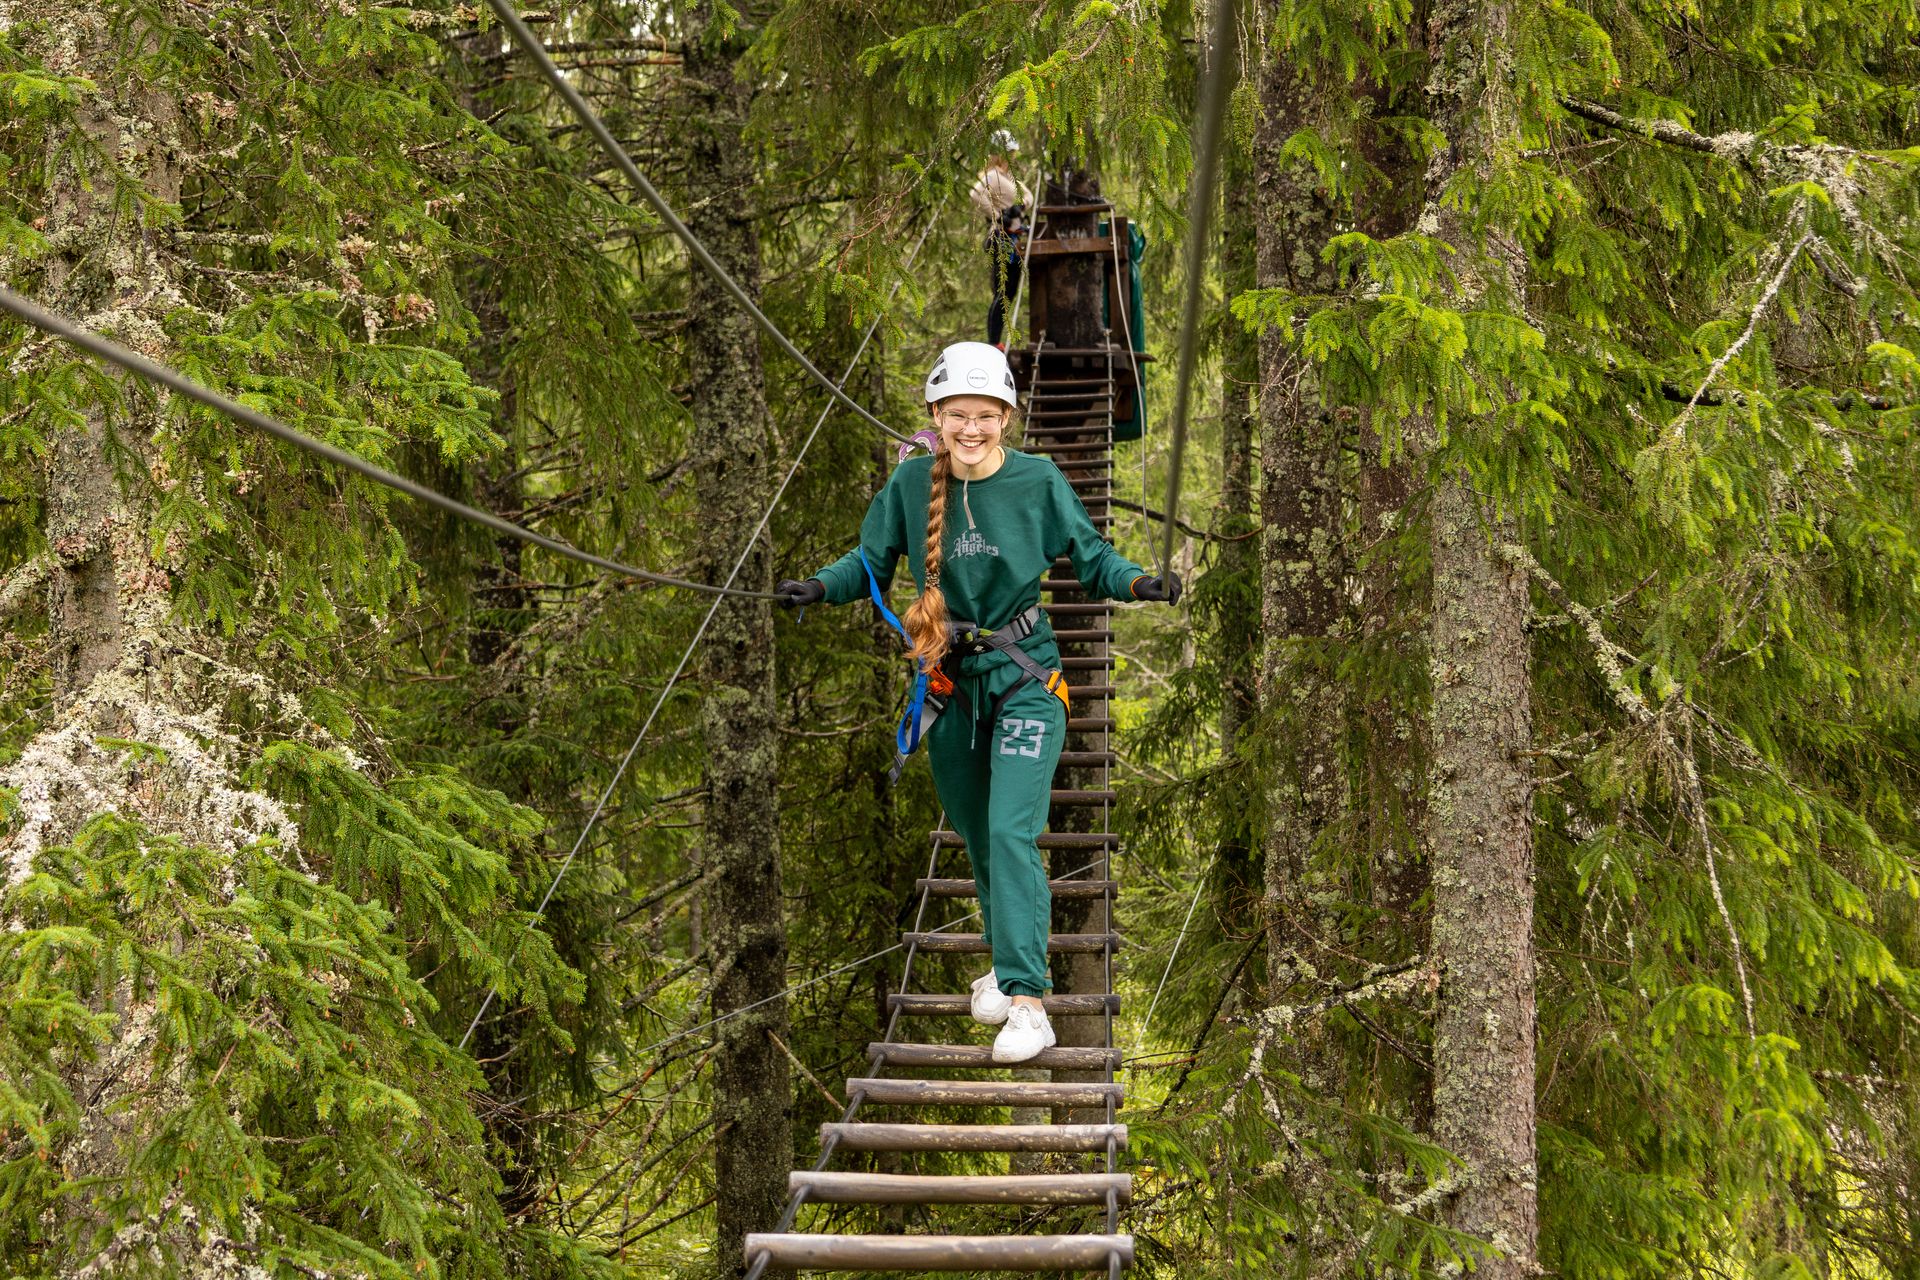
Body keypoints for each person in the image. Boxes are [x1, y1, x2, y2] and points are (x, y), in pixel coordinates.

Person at [774, 343, 1181, 1063]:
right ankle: (1004, 955)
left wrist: (1139, 582)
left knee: (1010, 828)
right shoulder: (908, 485)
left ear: (1007, 417)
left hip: (1028, 679)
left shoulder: (1039, 480)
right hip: (947, 683)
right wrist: (817, 586)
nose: (971, 428)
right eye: (957, 414)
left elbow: (1092, 557)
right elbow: (867, 564)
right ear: (936, 415)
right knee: (977, 831)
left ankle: (1028, 1000)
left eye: (986, 415)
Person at [969, 140, 1032, 349]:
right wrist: (998, 216)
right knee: (1004, 292)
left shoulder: (1007, 177)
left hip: (1009, 238)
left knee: (1007, 291)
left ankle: (994, 341)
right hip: (1001, 238)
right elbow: (976, 193)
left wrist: (1016, 209)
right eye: (1011, 153)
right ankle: (994, 342)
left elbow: (1029, 197)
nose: (1013, 157)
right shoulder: (993, 175)